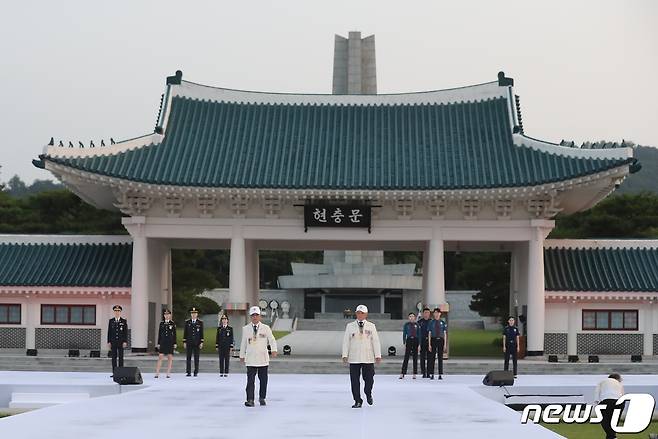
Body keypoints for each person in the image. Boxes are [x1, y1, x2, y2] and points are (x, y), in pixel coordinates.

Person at [342, 304, 382, 408]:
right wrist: (344, 354)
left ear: (366, 314)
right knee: (354, 380)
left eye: (362, 313)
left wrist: (377, 355)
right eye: (358, 313)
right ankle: (357, 400)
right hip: (354, 357)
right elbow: (346, 341)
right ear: (356, 314)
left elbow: (376, 341)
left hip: (368, 357)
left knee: (369, 379)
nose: (360, 315)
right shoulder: (350, 326)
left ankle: (368, 393)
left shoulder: (371, 326)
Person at [240, 306, 278, 407]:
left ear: (260, 316)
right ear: (250, 317)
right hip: (251, 358)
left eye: (257, 315)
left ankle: (262, 397)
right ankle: (250, 399)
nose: (255, 317)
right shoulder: (246, 329)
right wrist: (241, 355)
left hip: (262, 359)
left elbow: (272, 340)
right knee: (250, 381)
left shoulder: (266, 328)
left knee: (263, 380)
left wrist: (274, 350)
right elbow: (243, 343)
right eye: (253, 315)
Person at [594, 373, 625, 439]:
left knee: (605, 421)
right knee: (614, 421)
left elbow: (597, 392)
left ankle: (612, 436)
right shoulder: (619, 384)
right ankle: (611, 436)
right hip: (619, 402)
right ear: (617, 378)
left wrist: (597, 403)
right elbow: (622, 394)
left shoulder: (602, 381)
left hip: (606, 401)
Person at [155, 309, 177, 378]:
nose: (166, 316)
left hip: (170, 342)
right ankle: (157, 373)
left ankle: (168, 373)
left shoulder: (172, 323)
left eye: (168, 314)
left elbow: (174, 334)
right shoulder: (161, 323)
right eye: (165, 314)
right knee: (160, 356)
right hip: (163, 342)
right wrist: (158, 343)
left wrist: (175, 343)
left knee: (170, 357)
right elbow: (159, 334)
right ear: (164, 315)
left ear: (170, 315)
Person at [107, 305, 128, 375]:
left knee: (121, 357)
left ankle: (121, 372)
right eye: (115, 311)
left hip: (121, 342)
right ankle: (115, 372)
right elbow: (109, 332)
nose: (117, 312)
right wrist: (109, 342)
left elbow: (125, 332)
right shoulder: (111, 321)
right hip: (113, 342)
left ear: (120, 312)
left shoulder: (124, 321)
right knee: (114, 358)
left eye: (118, 311)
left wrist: (125, 341)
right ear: (114, 311)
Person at [427, 308, 447, 380]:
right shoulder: (431, 322)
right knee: (432, 358)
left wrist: (445, 344)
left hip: (440, 340)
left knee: (440, 357)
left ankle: (440, 374)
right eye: (435, 313)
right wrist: (429, 344)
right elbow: (429, 333)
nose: (436, 314)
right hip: (433, 339)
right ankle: (431, 373)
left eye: (437, 313)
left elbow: (445, 334)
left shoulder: (443, 322)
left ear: (440, 314)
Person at [183, 307, 204, 377]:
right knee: (188, 358)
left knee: (196, 358)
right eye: (192, 313)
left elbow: (201, 333)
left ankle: (196, 372)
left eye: (195, 313)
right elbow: (185, 333)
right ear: (191, 314)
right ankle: (188, 372)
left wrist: (201, 342)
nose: (193, 315)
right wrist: (184, 341)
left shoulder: (200, 323)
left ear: (197, 314)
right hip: (189, 342)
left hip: (197, 343)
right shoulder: (187, 322)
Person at [400, 312, 420, 379]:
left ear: (414, 317)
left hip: (415, 340)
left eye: (413, 316)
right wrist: (404, 343)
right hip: (408, 340)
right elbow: (404, 334)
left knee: (415, 357)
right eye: (410, 316)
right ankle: (402, 373)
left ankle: (414, 373)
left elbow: (419, 335)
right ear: (408, 318)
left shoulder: (417, 325)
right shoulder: (406, 325)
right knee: (406, 357)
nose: (411, 318)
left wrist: (419, 344)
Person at [417, 307, 431, 378]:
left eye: (428, 313)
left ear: (429, 314)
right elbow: (418, 333)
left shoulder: (431, 321)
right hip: (422, 341)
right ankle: (423, 372)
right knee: (422, 357)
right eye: (425, 313)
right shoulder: (419, 322)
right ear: (423, 314)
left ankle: (429, 372)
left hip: (429, 342)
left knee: (430, 357)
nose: (426, 314)